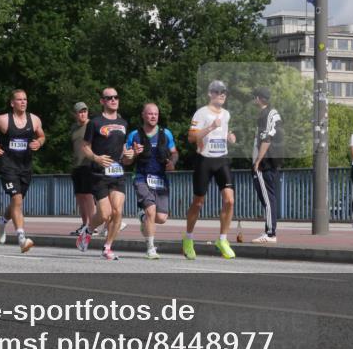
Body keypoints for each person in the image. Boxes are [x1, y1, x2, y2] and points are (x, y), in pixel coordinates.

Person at [76, 87, 134, 260]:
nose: (113, 100)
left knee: (117, 211)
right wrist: (96, 158)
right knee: (104, 214)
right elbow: (84, 147)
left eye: (116, 97)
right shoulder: (95, 123)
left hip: (117, 172)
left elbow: (124, 150)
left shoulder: (123, 123)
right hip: (99, 174)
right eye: (109, 98)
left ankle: (107, 247)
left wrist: (130, 154)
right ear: (102, 101)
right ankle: (88, 230)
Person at [0, 89, 46, 253]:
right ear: (12, 103)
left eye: (25, 99)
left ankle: (2, 222)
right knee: (17, 200)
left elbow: (41, 136)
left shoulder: (34, 120)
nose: (23, 102)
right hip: (8, 165)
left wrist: (39, 143)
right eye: (19, 100)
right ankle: (21, 238)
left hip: (25, 166)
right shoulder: (2, 120)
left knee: (16, 203)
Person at [184, 80, 238, 260]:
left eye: (224, 92)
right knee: (198, 202)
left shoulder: (227, 114)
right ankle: (188, 238)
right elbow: (192, 137)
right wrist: (210, 127)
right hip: (204, 160)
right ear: (210, 94)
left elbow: (223, 133)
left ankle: (222, 239)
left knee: (229, 200)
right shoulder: (201, 113)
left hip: (221, 159)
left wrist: (229, 137)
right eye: (218, 91)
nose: (222, 95)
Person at [126, 102, 178, 259]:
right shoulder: (134, 135)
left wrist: (172, 163)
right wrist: (133, 153)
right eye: (150, 113)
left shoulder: (166, 133)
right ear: (143, 115)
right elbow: (125, 161)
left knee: (161, 218)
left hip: (160, 179)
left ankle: (143, 218)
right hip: (141, 177)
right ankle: (150, 248)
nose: (153, 116)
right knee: (151, 210)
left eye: (155, 114)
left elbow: (174, 153)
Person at [251, 87, 282, 243]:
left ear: (258, 98)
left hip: (265, 162)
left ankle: (270, 233)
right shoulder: (274, 113)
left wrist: (257, 161)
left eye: (254, 98)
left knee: (268, 198)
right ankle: (270, 231)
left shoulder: (265, 115)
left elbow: (266, 139)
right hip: (274, 160)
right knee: (271, 197)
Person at [69, 102, 95, 236]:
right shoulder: (74, 128)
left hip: (88, 164)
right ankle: (85, 224)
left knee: (88, 195)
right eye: (80, 112)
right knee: (79, 196)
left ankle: (93, 225)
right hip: (77, 165)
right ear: (75, 114)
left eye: (85, 111)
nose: (83, 114)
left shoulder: (91, 125)